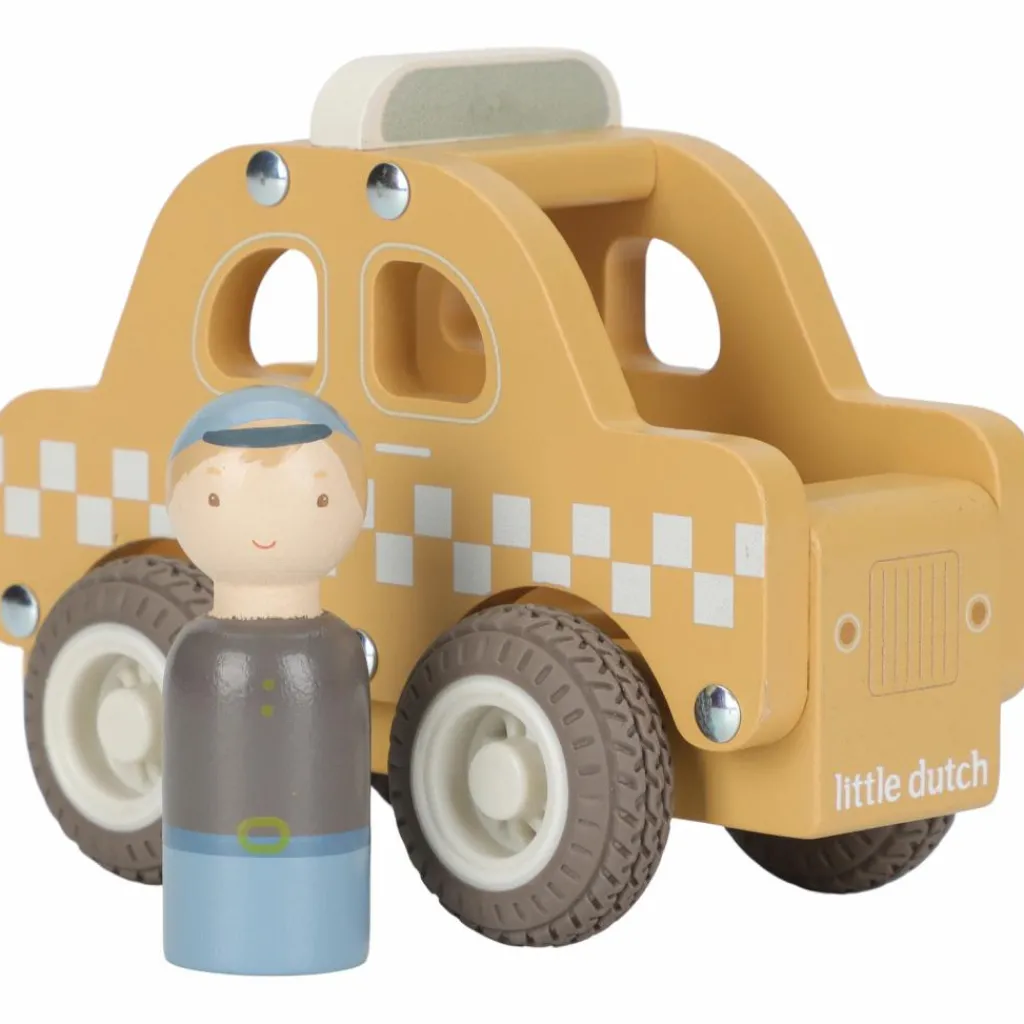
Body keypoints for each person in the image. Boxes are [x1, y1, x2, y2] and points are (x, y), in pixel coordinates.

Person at [162, 384, 370, 975]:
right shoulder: (201, 655)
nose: (266, 527)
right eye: (218, 499)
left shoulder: (333, 652)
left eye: (318, 499)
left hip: (325, 914)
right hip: (209, 911)